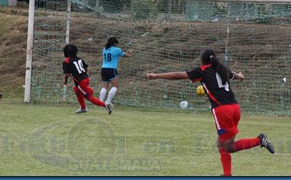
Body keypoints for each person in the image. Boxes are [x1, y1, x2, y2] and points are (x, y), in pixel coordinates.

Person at [146, 49, 275, 176]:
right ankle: (227, 174)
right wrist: (240, 76)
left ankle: (258, 141)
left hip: (222, 111)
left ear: (203, 61)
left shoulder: (203, 70)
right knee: (224, 145)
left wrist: (157, 75)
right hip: (235, 108)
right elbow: (233, 74)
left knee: (226, 147)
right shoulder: (223, 69)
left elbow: (177, 75)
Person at [62, 43, 112, 114]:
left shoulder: (66, 61)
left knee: (89, 97)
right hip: (86, 78)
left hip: (80, 82)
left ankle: (105, 105)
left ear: (66, 52)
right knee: (76, 89)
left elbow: (66, 74)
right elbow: (85, 67)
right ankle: (83, 108)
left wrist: (65, 82)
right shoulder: (79, 59)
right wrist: (84, 75)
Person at [99, 37, 133, 112]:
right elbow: (125, 55)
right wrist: (130, 53)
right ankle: (108, 101)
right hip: (112, 69)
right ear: (114, 43)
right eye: (117, 44)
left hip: (103, 69)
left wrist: (125, 52)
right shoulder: (117, 49)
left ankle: (100, 102)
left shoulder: (104, 49)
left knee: (105, 86)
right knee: (115, 86)